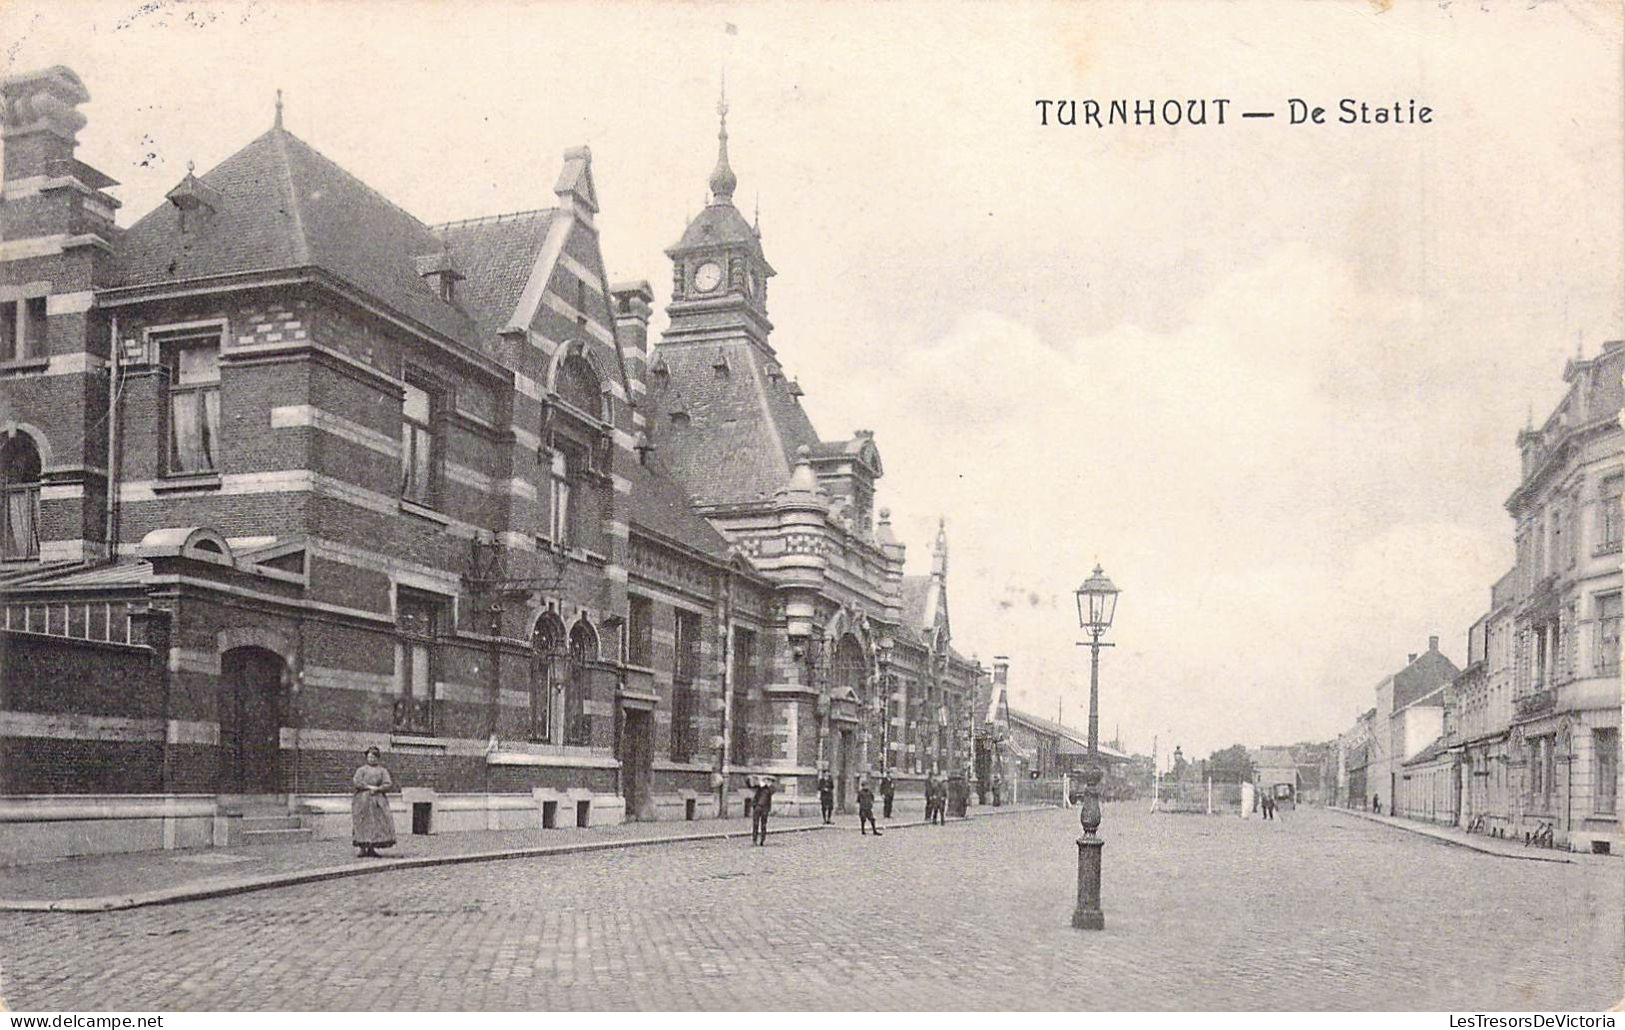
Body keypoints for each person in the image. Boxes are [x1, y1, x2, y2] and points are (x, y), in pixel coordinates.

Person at [351, 746, 396, 858]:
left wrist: (378, 789)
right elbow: (357, 782)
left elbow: (388, 783)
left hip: (378, 801)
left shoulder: (382, 770)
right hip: (362, 800)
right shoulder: (361, 770)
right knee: (362, 822)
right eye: (370, 756)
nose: (371, 759)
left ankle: (371, 848)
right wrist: (368, 787)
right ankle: (362, 848)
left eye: (374, 757)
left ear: (378, 758)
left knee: (376, 823)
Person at [750, 775, 776, 846]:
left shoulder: (771, 789)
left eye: (769, 780)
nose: (766, 781)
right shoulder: (760, 788)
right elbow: (752, 786)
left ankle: (762, 840)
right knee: (755, 824)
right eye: (766, 780)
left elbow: (772, 791)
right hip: (758, 807)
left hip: (765, 808)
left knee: (763, 825)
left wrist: (768, 785)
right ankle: (754, 840)